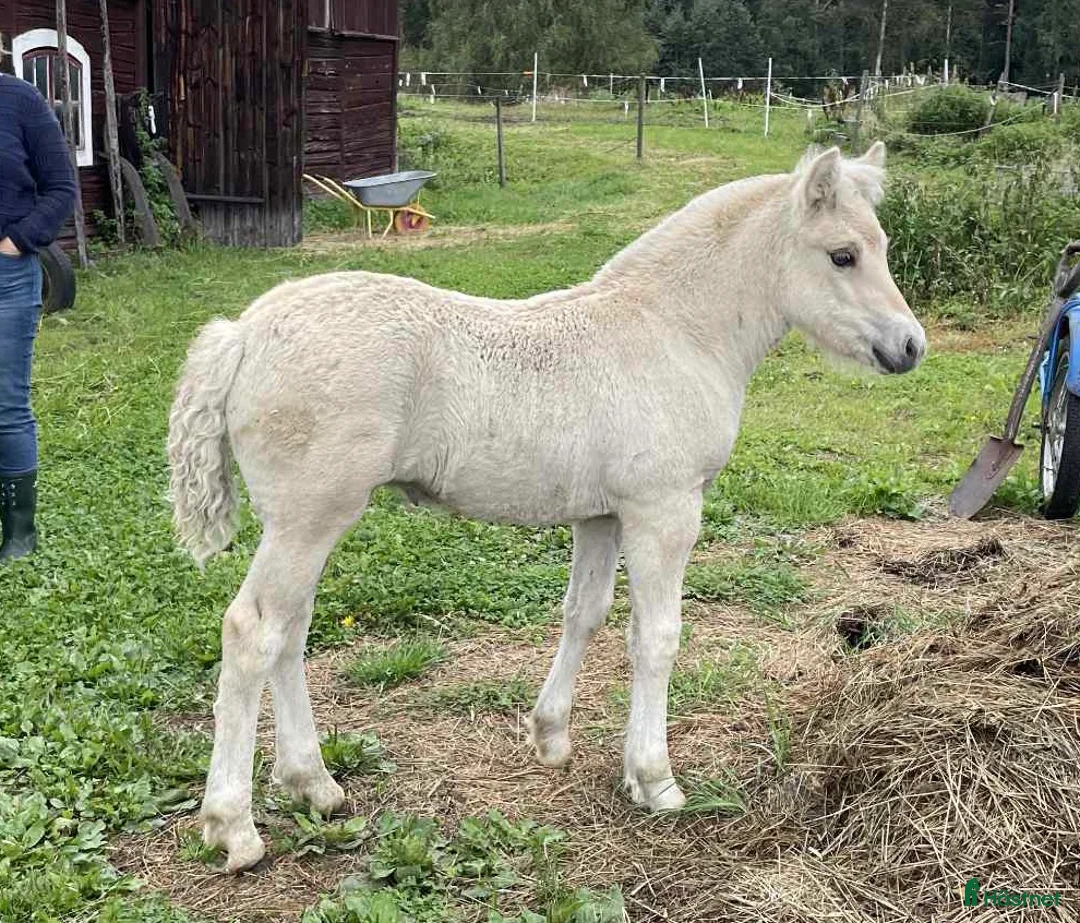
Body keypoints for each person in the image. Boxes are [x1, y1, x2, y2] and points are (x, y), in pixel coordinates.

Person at [0, 39, 78, 560]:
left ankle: (19, 534)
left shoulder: (21, 101)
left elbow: (61, 188)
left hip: (6, 275)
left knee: (5, 403)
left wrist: (16, 242)